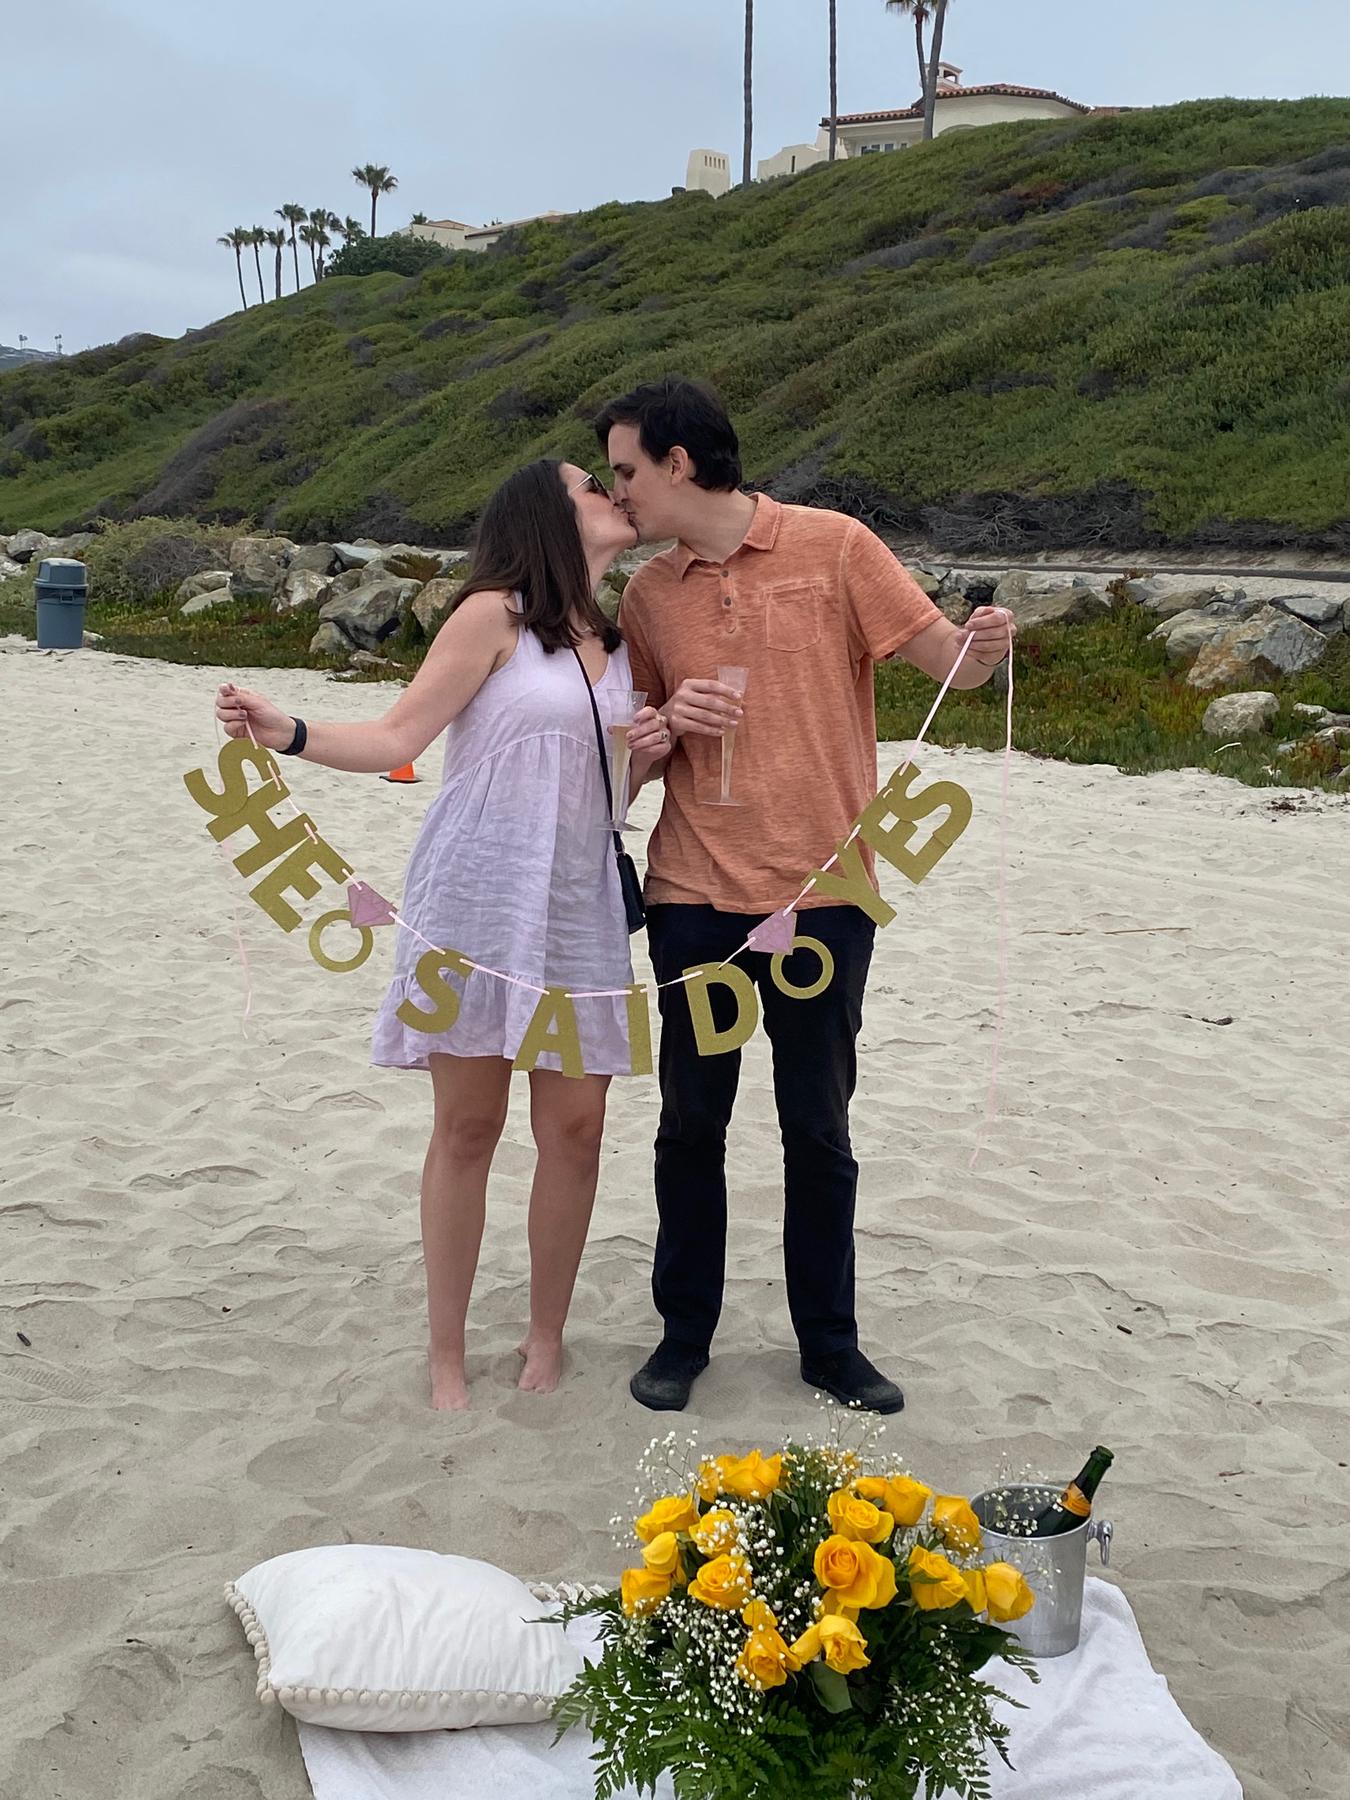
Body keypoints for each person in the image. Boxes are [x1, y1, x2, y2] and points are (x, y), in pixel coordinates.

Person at [594, 376, 1015, 1416]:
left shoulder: (834, 546)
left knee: (818, 1128)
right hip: (693, 893)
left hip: (827, 895)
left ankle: (831, 1343)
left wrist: (985, 646)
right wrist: (663, 728)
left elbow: (947, 667)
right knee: (690, 1123)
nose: (620, 493)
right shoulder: (648, 596)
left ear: (679, 462)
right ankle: (683, 1336)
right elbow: (630, 765)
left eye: (626, 471)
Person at [214, 460, 672, 1410]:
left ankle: (546, 1334)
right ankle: (446, 1351)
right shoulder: (492, 616)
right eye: (593, 483)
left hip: (578, 905)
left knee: (577, 1129)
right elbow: (397, 739)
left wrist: (649, 761)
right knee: (469, 1126)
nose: (614, 492)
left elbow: (605, 799)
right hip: (476, 897)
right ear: (547, 515)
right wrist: (286, 729)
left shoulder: (620, 644)